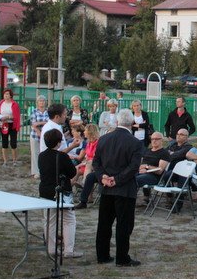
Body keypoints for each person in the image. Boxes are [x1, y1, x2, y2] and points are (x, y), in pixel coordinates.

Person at [93, 109, 144, 267]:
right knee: (124, 224)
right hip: (124, 189)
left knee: (104, 223)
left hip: (107, 187)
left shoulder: (104, 139)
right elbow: (134, 167)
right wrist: (117, 179)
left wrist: (103, 177)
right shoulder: (135, 142)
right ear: (131, 124)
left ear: (117, 122)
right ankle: (122, 257)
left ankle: (102, 255)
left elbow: (96, 162)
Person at [39, 128, 82, 258]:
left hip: (46, 190)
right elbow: (72, 173)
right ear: (58, 143)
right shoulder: (61, 156)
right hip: (61, 191)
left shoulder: (41, 156)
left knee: (50, 220)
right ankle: (68, 250)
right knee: (68, 219)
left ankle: (51, 248)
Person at [136, 132, 170, 206]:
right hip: (142, 173)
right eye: (152, 139)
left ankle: (135, 199)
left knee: (135, 180)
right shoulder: (147, 151)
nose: (154, 141)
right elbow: (140, 163)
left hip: (154, 176)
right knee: (128, 176)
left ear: (162, 140)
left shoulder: (164, 153)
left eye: (157, 139)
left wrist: (147, 167)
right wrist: (140, 168)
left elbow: (159, 171)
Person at [73, 124, 100, 209]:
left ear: (90, 132)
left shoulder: (97, 143)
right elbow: (87, 157)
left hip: (95, 164)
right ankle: (67, 192)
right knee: (76, 170)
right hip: (88, 163)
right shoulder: (88, 143)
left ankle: (84, 184)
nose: (83, 132)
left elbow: (96, 158)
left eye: (85, 131)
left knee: (88, 169)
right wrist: (79, 164)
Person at [0, 88, 21, 167]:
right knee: (4, 143)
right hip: (3, 125)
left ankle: (14, 160)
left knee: (13, 143)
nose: (6, 96)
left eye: (7, 94)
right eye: (5, 94)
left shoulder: (14, 104)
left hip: (12, 125)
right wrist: (0, 118)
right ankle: (5, 161)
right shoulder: (1, 103)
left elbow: (16, 116)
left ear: (10, 96)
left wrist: (8, 117)